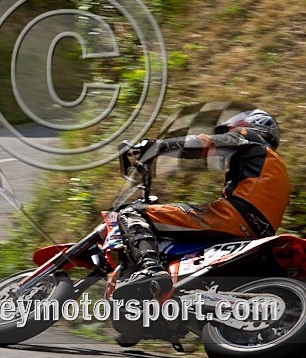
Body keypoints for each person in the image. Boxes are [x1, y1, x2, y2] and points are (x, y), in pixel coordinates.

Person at [114, 109, 291, 300]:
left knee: (132, 213)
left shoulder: (248, 138)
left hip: (232, 216)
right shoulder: (276, 165)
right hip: (259, 233)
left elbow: (204, 144)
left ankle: (150, 269)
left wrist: (157, 146)